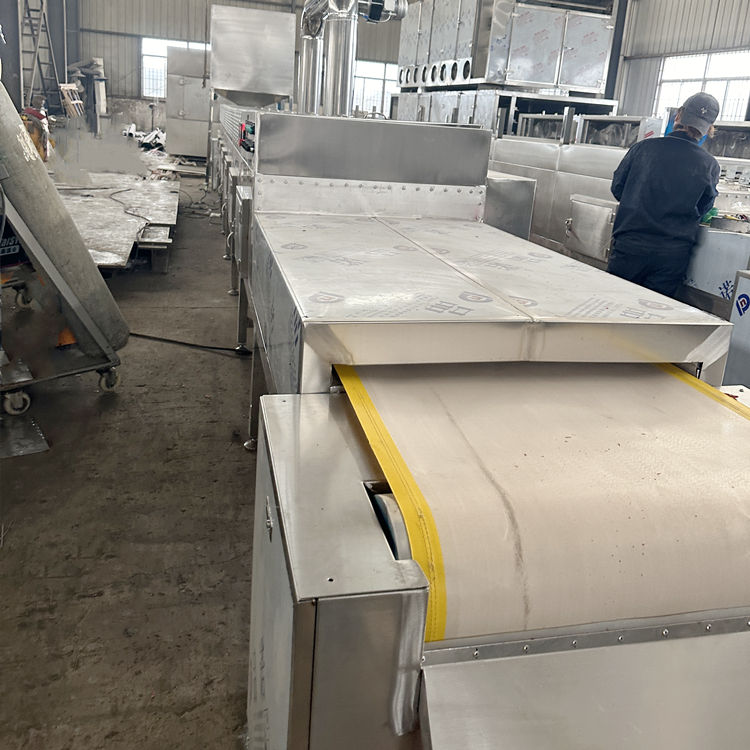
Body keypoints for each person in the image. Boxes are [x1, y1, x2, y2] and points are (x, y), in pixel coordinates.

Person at [607, 92, 721, 299]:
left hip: (630, 245)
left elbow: (617, 188)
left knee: (613, 305)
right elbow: (703, 209)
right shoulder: (709, 164)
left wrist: (639, 203)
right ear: (709, 128)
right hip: (671, 255)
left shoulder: (642, 148)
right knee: (654, 312)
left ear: (679, 115)